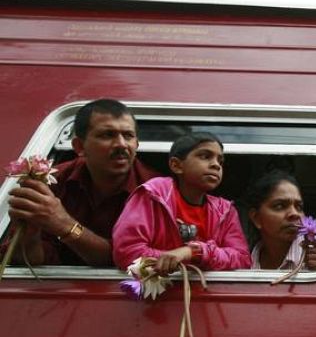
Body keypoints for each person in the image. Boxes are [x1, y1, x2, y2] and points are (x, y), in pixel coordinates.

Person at [7, 99, 159, 267]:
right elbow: (30, 262)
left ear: (136, 144)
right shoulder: (52, 181)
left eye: (128, 136)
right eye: (107, 135)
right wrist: (29, 236)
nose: (121, 144)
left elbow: (135, 261)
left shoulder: (157, 191)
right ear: (79, 146)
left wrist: (65, 225)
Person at [112, 132, 250, 273]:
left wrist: (193, 252)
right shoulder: (152, 195)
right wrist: (175, 258)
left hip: (206, 292)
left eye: (220, 161)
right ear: (176, 165)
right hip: (154, 293)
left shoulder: (225, 210)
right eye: (205, 156)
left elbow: (242, 259)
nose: (216, 165)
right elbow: (127, 252)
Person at [244, 170, 316, 271]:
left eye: (299, 207)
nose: (295, 213)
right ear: (256, 218)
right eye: (280, 206)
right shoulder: (242, 262)